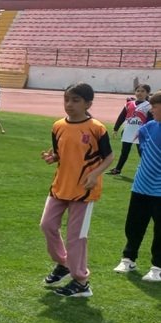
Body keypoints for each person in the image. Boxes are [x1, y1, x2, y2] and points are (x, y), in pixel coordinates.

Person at [40, 83, 114, 297]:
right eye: (66, 99)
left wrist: (95, 174)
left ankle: (81, 282)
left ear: (88, 104)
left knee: (76, 237)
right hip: (60, 186)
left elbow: (109, 156)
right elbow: (60, 153)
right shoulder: (58, 126)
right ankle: (64, 264)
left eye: (75, 100)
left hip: (84, 191)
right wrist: (53, 157)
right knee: (47, 225)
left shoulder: (96, 128)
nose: (69, 104)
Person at [113, 91, 161, 282]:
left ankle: (157, 267)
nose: (151, 110)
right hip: (141, 185)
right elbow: (142, 150)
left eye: (155, 106)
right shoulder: (147, 128)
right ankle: (128, 258)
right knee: (134, 224)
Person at [108, 84, 153, 176]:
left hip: (141, 133)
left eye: (143, 91)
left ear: (147, 93)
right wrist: (116, 128)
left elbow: (150, 120)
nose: (139, 93)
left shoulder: (149, 106)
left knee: (142, 153)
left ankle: (149, 171)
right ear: (135, 92)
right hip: (128, 131)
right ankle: (117, 169)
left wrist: (148, 132)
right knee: (124, 152)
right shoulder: (129, 104)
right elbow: (121, 117)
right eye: (138, 91)